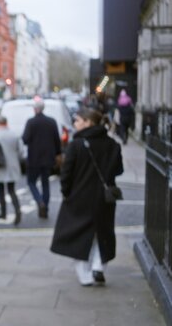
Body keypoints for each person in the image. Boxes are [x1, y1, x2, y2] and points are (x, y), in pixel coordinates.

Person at [51, 108, 123, 286]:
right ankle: (98, 266)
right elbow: (118, 170)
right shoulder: (113, 145)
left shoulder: (76, 145)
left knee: (79, 236)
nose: (75, 123)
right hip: (105, 198)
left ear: (88, 122)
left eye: (77, 120)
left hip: (80, 197)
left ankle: (85, 275)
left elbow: (66, 174)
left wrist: (67, 192)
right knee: (102, 232)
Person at [22, 99, 61, 219]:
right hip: (48, 158)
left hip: (34, 158)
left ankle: (40, 202)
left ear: (35, 109)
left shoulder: (31, 122)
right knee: (45, 184)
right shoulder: (51, 121)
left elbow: (25, 139)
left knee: (31, 182)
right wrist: (57, 154)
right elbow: (57, 140)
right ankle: (45, 207)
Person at [0, 116, 23, 225]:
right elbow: (21, 151)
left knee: (1, 190)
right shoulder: (15, 134)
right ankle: (17, 210)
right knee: (12, 190)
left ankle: (3, 213)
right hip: (13, 165)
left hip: (0, 165)